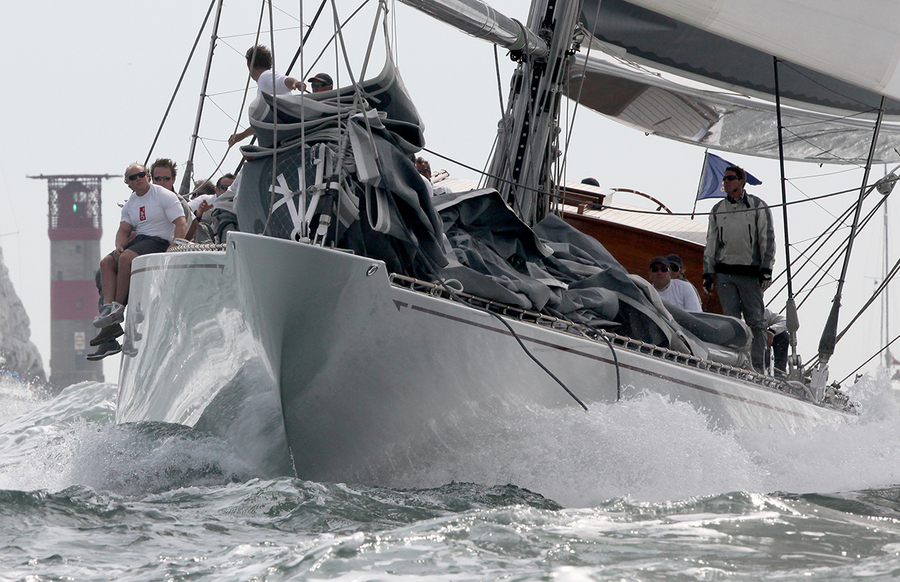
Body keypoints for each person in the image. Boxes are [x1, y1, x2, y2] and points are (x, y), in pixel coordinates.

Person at [88, 163, 188, 359]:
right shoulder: (130, 204)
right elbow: (124, 230)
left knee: (126, 259)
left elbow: (181, 222)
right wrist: (119, 245)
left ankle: (118, 306)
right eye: (133, 177)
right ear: (128, 183)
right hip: (141, 240)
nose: (139, 179)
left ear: (147, 176)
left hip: (160, 240)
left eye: (142, 174)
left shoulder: (164, 196)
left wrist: (177, 244)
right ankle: (108, 309)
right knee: (106, 264)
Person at [702, 165, 775, 371]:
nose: (726, 182)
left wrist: (766, 269)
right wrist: (708, 272)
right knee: (731, 322)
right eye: (724, 179)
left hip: (750, 274)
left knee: (756, 322)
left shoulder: (758, 207)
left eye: (731, 178)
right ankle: (734, 364)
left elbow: (767, 240)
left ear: (742, 182)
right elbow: (711, 243)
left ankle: (758, 367)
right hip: (725, 273)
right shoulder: (717, 210)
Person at [228, 45, 305, 147]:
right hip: (287, 138)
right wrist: (242, 135)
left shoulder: (265, 77)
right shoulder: (265, 81)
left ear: (249, 64)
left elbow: (284, 81)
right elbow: (265, 122)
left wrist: (295, 83)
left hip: (284, 141)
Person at [764, 309, 789, 375]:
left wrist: (772, 331)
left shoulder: (763, 312)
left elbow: (785, 321)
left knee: (782, 336)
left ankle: (779, 372)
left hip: (759, 348)